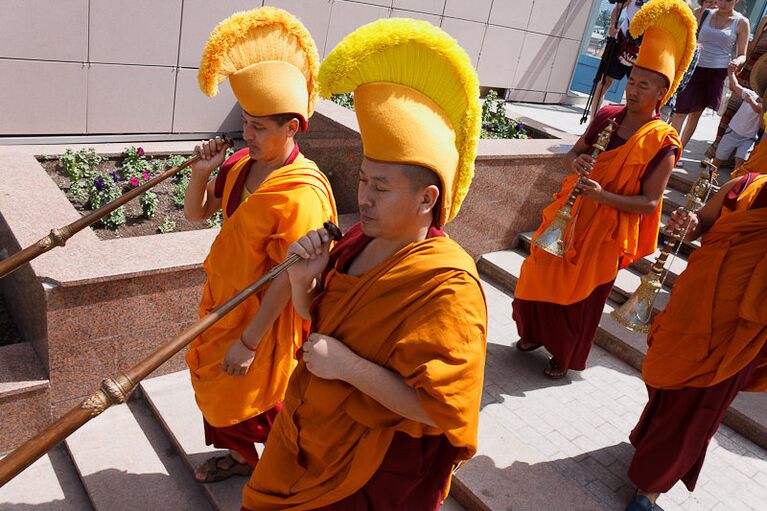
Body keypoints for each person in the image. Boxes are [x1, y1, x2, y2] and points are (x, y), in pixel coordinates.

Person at [240, 18, 487, 510]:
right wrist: (302, 284)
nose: (364, 199)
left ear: (427, 198)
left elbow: (439, 413)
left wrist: (349, 367)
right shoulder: (354, 241)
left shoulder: (447, 285)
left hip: (362, 464)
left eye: (381, 187)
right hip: (303, 429)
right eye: (363, 181)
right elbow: (321, 327)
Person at [183, 7, 337, 483]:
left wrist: (250, 343)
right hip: (223, 305)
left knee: (254, 404)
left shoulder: (302, 195)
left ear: (292, 127)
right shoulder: (242, 166)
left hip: (264, 322)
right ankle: (241, 458)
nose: (246, 135)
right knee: (219, 393)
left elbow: (290, 277)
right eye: (245, 123)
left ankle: (273, 469)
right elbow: (197, 215)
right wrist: (203, 173)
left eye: (259, 127)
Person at [512, 0, 696, 379]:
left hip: (604, 231)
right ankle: (532, 333)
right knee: (537, 272)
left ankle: (563, 354)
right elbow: (577, 152)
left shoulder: (663, 141)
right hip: (570, 215)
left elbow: (648, 204)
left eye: (644, 85)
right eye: (632, 81)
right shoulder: (608, 116)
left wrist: (602, 197)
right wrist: (576, 162)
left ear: (662, 91)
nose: (632, 91)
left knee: (580, 297)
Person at [624, 172, 767, 511]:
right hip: (693, 305)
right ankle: (649, 441)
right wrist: (688, 222)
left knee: (697, 406)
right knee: (667, 386)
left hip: (741, 332)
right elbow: (703, 221)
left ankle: (650, 487)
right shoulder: (745, 185)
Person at [671, 0, 749, 150]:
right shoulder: (704, 13)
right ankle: (668, 148)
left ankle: (677, 151)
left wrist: (736, 62)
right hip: (694, 68)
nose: (724, 3)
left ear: (736, 1)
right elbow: (688, 37)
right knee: (679, 112)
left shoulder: (741, 22)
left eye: (729, 0)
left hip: (716, 72)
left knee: (695, 114)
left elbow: (742, 54)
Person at [706, 11, 767, 160]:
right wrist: (739, 66)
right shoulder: (765, 20)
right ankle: (717, 149)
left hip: (764, 80)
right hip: (749, 71)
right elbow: (752, 46)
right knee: (732, 110)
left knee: (758, 117)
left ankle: (747, 157)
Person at [590, 1, 650, 120]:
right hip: (621, 42)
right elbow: (618, 8)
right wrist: (613, 26)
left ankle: (624, 126)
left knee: (636, 90)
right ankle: (593, 121)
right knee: (604, 82)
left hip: (643, 49)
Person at [712, 60, 765, 171]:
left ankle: (734, 183)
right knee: (718, 158)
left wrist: (750, 101)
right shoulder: (750, 94)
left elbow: (758, 109)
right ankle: (707, 177)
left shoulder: (763, 106)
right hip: (733, 132)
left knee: (740, 162)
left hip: (748, 138)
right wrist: (731, 72)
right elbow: (735, 86)